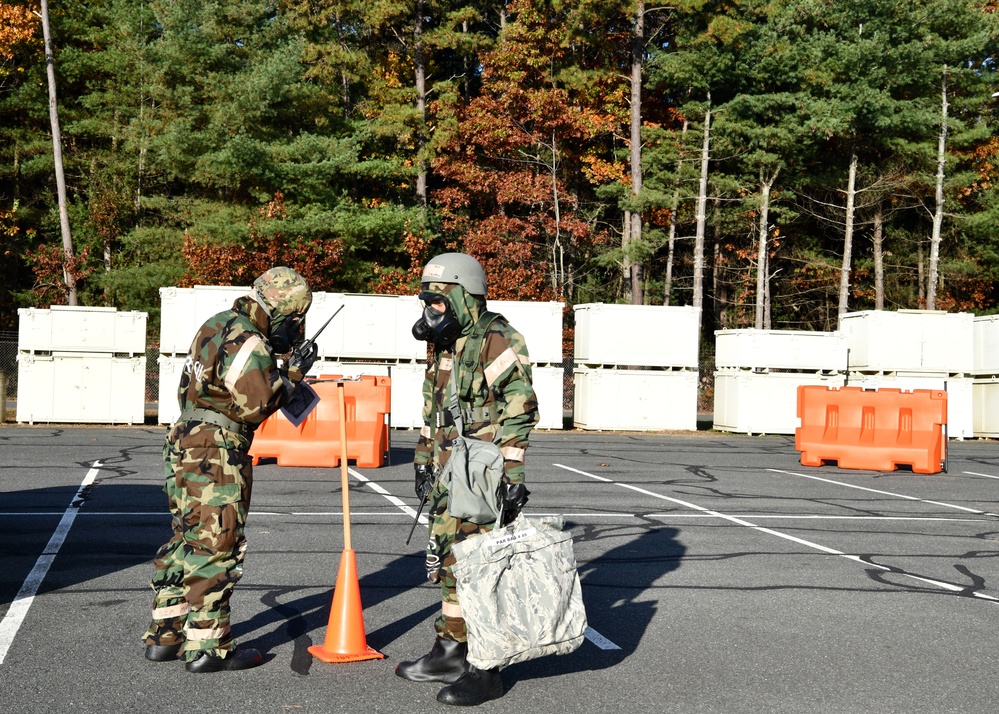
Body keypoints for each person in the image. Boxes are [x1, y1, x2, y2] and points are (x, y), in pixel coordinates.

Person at [141, 266, 318, 673]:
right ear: (280, 312)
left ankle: (166, 632)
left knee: (185, 537)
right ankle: (208, 647)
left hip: (184, 436)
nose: (293, 329)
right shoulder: (249, 339)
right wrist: (292, 372)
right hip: (217, 448)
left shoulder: (215, 325)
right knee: (217, 544)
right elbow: (255, 405)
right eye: (292, 322)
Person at [396, 252, 540, 706]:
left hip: (481, 471)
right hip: (446, 467)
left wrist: (512, 473)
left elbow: (521, 406)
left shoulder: (496, 338)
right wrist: (423, 460)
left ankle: (486, 667)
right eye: (428, 302)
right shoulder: (445, 342)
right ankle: (450, 648)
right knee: (450, 562)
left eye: (438, 301)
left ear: (462, 295)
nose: (430, 311)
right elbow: (432, 408)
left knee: (481, 567)